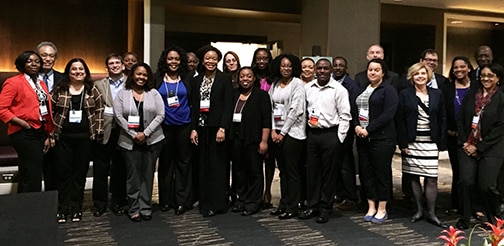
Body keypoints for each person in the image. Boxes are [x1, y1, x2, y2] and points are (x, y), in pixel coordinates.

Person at [51, 58, 104, 223]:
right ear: (68, 72)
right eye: (74, 69)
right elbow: (51, 112)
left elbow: (99, 111)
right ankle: (62, 209)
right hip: (63, 139)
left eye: (81, 69)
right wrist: (51, 134)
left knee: (79, 176)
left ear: (86, 72)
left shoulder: (92, 89)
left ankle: (76, 209)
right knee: (64, 175)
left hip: (85, 139)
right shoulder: (60, 89)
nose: (77, 72)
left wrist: (98, 132)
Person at [300, 58, 351, 223]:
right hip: (312, 135)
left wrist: (339, 139)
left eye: (325, 68)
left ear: (330, 71)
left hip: (331, 134)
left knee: (329, 174)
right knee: (312, 172)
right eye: (319, 68)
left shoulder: (339, 90)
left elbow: (345, 116)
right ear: (315, 70)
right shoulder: (308, 88)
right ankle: (312, 205)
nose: (322, 71)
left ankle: (325, 208)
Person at [397, 63, 447, 228]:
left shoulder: (437, 94)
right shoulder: (404, 94)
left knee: (431, 178)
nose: (420, 76)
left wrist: (441, 141)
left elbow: (442, 118)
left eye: (423, 74)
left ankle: (431, 212)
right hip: (412, 141)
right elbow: (400, 120)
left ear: (428, 76)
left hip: (431, 142)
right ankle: (419, 210)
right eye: (417, 73)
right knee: (414, 177)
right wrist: (403, 142)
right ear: (412, 76)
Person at [113, 63, 165, 222]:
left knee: (148, 175)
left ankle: (146, 207)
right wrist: (134, 134)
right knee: (133, 176)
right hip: (129, 142)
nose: (141, 77)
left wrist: (146, 133)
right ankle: (134, 208)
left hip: (152, 141)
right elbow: (118, 116)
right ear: (132, 75)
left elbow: (160, 115)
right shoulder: (123, 94)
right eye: (138, 74)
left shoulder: (154, 93)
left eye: (144, 75)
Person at [455, 63, 504, 229]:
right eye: (483, 75)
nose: (486, 79)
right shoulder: (471, 95)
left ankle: (494, 218)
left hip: (492, 147)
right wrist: (465, 142)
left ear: (497, 78)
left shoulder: (501, 98)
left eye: (490, 76)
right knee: (466, 182)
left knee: (486, 185)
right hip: (467, 145)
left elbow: (500, 127)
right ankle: (465, 217)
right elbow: (461, 119)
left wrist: (480, 147)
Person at [0, 51, 54, 193]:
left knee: (33, 171)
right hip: (23, 132)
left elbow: (45, 109)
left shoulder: (40, 83)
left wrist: (48, 134)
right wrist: (22, 123)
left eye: (37, 61)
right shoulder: (13, 82)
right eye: (29, 61)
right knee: (31, 172)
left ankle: (29, 206)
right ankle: (29, 210)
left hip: (40, 131)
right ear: (22, 64)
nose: (34, 64)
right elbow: (2, 108)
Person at [190, 45, 233, 217]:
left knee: (218, 166)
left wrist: (223, 127)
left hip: (218, 129)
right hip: (201, 128)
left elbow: (228, 105)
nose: (211, 61)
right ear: (202, 60)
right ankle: (205, 202)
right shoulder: (196, 80)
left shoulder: (224, 79)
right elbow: (193, 107)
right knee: (203, 165)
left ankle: (219, 203)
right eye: (207, 58)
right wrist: (193, 129)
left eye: (214, 58)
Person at [354, 59, 398, 224]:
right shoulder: (364, 89)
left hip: (382, 139)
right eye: (370, 70)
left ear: (383, 72)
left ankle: (382, 208)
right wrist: (357, 126)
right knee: (366, 174)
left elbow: (388, 114)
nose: (373, 72)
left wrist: (369, 129)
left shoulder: (389, 90)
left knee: (381, 174)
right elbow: (356, 111)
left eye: (376, 70)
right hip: (363, 138)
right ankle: (371, 206)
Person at [266, 54, 306, 220]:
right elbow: (270, 108)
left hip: (293, 134)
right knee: (282, 171)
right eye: (283, 65)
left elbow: (296, 110)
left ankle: (293, 206)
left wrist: (283, 132)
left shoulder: (297, 84)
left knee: (292, 172)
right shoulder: (274, 84)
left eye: (289, 66)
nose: (286, 68)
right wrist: (274, 130)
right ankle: (283, 203)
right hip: (277, 133)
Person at [154, 46, 194, 215]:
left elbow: (194, 104)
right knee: (165, 164)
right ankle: (166, 200)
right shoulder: (156, 79)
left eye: (177, 59)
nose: (173, 62)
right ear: (165, 60)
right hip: (163, 127)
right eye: (170, 59)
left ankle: (181, 201)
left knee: (183, 164)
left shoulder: (187, 78)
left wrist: (193, 129)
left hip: (184, 126)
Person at [230, 66, 271, 216]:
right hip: (236, 139)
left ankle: (254, 202)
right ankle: (241, 200)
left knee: (254, 172)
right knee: (239, 172)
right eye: (242, 76)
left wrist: (264, 141)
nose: (245, 79)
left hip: (254, 140)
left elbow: (266, 121)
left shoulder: (261, 96)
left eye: (248, 76)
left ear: (254, 79)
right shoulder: (234, 94)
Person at [92, 54, 128, 217]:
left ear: (123, 65)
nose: (114, 66)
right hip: (104, 131)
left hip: (125, 131)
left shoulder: (131, 82)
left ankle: (118, 202)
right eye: (111, 64)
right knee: (100, 168)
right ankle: (99, 204)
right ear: (106, 67)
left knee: (120, 168)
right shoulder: (98, 84)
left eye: (117, 63)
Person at [443, 56, 475, 215]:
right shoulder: (447, 88)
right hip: (454, 136)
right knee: (458, 171)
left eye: (462, 66)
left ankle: (474, 205)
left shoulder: (476, 87)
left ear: (469, 68)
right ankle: (458, 204)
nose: (459, 70)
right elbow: (444, 112)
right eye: (455, 67)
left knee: (473, 172)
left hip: (475, 137)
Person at [332, 56, 360, 210]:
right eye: (335, 65)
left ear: (346, 67)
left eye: (341, 65)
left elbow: (353, 109)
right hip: (330, 129)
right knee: (335, 164)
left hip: (345, 130)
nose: (337, 68)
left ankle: (350, 196)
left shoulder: (352, 86)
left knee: (345, 164)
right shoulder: (328, 82)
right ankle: (339, 193)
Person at [36, 41, 63, 192]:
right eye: (44, 55)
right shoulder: (28, 79)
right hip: (35, 131)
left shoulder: (64, 78)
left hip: (59, 132)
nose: (48, 59)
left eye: (51, 56)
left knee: (57, 172)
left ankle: (55, 206)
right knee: (33, 174)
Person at [251, 47, 275, 208]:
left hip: (272, 122)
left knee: (270, 160)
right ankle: (257, 192)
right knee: (255, 159)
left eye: (265, 58)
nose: (262, 61)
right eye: (259, 58)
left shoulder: (274, 78)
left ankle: (267, 190)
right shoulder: (251, 76)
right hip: (253, 123)